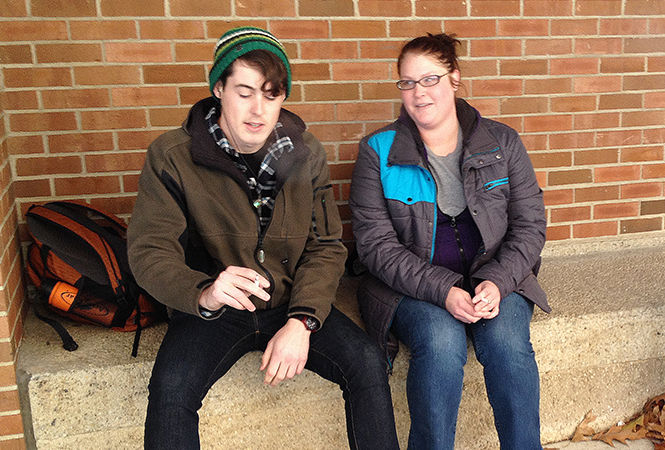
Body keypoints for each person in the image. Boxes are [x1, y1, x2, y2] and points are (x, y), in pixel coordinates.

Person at [127, 26, 399, 450]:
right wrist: (204, 292)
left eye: (271, 95)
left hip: (289, 300)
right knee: (171, 389)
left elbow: (325, 246)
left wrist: (303, 319)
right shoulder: (172, 155)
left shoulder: (306, 151)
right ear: (219, 88)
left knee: (366, 362)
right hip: (215, 307)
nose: (258, 110)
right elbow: (148, 249)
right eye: (245, 91)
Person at [349, 32, 550, 450]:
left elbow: (529, 226)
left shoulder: (502, 142)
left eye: (430, 80)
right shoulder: (377, 151)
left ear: (454, 79)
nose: (418, 93)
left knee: (508, 342)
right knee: (440, 343)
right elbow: (375, 246)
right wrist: (444, 291)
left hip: (495, 279)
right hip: (413, 288)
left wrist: (496, 281)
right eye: (407, 82)